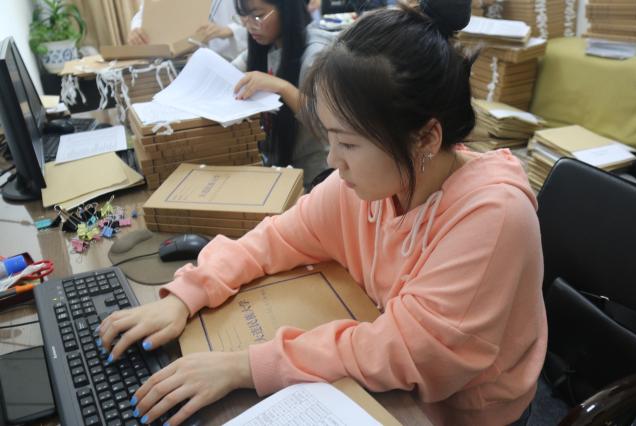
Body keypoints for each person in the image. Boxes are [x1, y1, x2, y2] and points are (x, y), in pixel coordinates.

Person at [97, 1, 547, 425]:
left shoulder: (493, 216)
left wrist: (243, 367)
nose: (333, 160)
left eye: (348, 143)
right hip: (395, 371)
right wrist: (185, 296)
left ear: (426, 138)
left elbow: (406, 349)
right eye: (330, 138)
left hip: (464, 409)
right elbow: (276, 238)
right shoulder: (371, 185)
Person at [231, 0, 333, 190]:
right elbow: (229, 73)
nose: (250, 25)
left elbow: (328, 125)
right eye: (244, 16)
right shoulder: (266, 47)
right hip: (282, 170)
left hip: (317, 176)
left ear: (286, 9)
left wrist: (283, 88)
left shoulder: (315, 54)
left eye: (258, 15)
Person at [128, 0, 248, 61]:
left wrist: (229, 30)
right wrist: (137, 30)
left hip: (233, 59)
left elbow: (256, 20)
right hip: (182, 60)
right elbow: (145, 14)